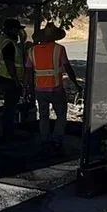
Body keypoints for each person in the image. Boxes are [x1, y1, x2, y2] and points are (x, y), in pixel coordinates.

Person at [28, 25, 80, 153]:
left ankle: (45, 140)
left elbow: (28, 72)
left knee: (43, 115)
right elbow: (67, 67)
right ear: (55, 37)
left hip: (39, 90)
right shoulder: (59, 49)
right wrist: (76, 83)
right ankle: (57, 140)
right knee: (61, 114)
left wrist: (29, 88)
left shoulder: (31, 51)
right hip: (56, 89)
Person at [0, 18, 26, 138]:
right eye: (17, 30)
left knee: (9, 106)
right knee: (10, 107)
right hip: (9, 79)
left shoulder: (2, 40)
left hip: (3, 77)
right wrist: (16, 81)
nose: (18, 33)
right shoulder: (9, 44)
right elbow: (9, 63)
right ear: (11, 30)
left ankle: (8, 130)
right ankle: (8, 132)